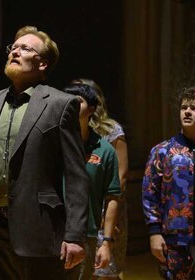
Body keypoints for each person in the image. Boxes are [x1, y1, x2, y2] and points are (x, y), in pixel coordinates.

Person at [0, 25, 89, 279]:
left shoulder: (61, 104)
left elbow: (76, 175)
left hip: (39, 227)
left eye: (25, 48)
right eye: (13, 47)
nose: (15, 52)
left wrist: (75, 235)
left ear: (42, 64)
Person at [142, 86, 195, 279]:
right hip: (174, 241)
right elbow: (150, 194)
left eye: (194, 108)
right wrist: (154, 232)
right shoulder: (162, 152)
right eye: (184, 107)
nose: (187, 112)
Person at [71, 78, 128, 279]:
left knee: (104, 269)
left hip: (105, 205)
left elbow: (120, 176)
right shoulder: (66, 131)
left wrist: (105, 215)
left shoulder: (111, 130)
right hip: (79, 210)